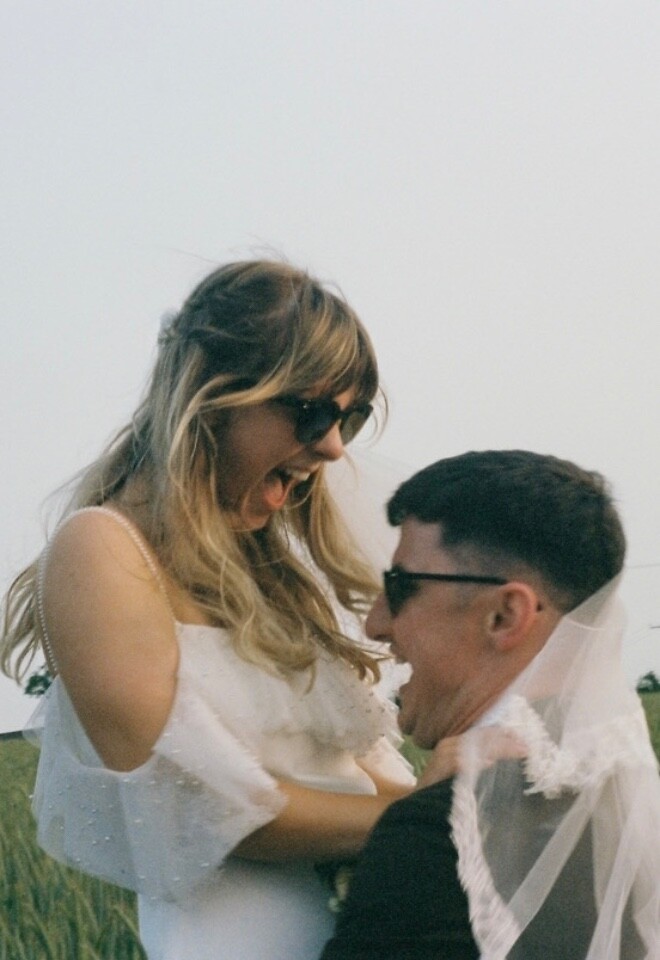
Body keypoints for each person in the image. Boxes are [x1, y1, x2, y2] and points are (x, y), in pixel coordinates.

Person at [1, 260, 424, 960]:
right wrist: (428, 823)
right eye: (313, 413)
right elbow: (199, 807)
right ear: (212, 395)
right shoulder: (101, 549)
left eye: (349, 419)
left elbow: (355, 763)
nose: (332, 446)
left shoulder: (278, 569)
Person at [320, 450, 660, 960]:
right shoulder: (629, 809)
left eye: (400, 587)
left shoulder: (435, 834)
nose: (375, 624)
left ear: (505, 615)